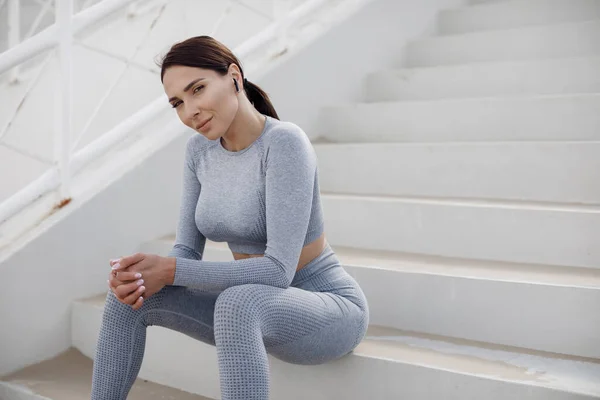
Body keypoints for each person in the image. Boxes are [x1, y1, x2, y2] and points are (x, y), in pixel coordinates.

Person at [91, 35, 369, 400]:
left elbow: (277, 272)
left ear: (234, 77)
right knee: (130, 295)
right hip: (253, 307)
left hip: (326, 309)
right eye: (177, 102)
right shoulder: (198, 151)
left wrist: (170, 271)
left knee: (239, 301)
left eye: (198, 89)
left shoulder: (284, 143)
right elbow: (187, 250)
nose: (189, 110)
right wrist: (144, 273)